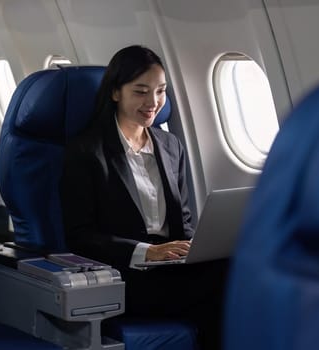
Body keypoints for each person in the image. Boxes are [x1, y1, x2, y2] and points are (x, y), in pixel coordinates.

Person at [60, 45, 227, 350]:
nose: (153, 103)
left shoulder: (170, 146)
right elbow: (79, 236)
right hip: (124, 275)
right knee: (224, 288)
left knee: (236, 267)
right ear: (115, 93)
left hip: (170, 272)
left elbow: (184, 221)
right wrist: (147, 252)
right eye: (141, 91)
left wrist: (195, 248)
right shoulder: (86, 152)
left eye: (161, 91)